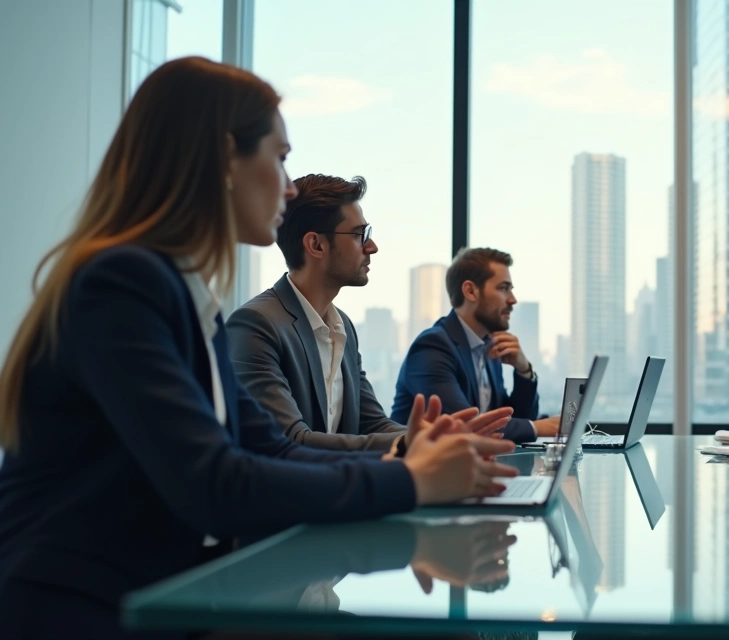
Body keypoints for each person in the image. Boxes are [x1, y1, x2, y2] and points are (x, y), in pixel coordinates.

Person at [0, 57, 517, 637]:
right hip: (80, 612)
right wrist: (412, 480)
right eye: (280, 157)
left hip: (162, 596)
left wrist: (404, 457)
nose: (289, 185)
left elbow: (271, 450)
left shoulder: (189, 298)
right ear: (225, 158)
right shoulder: (122, 283)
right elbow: (216, 485)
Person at [227, 173, 508, 451]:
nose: (372, 246)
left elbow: (372, 424)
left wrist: (438, 437)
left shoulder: (343, 327)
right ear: (316, 245)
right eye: (359, 234)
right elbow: (290, 440)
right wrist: (410, 442)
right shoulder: (256, 325)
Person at [393, 248, 560, 443]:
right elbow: (465, 426)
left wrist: (524, 370)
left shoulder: (488, 347)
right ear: (471, 291)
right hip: (419, 470)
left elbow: (515, 418)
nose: (513, 299)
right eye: (503, 288)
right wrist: (537, 428)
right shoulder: (432, 347)